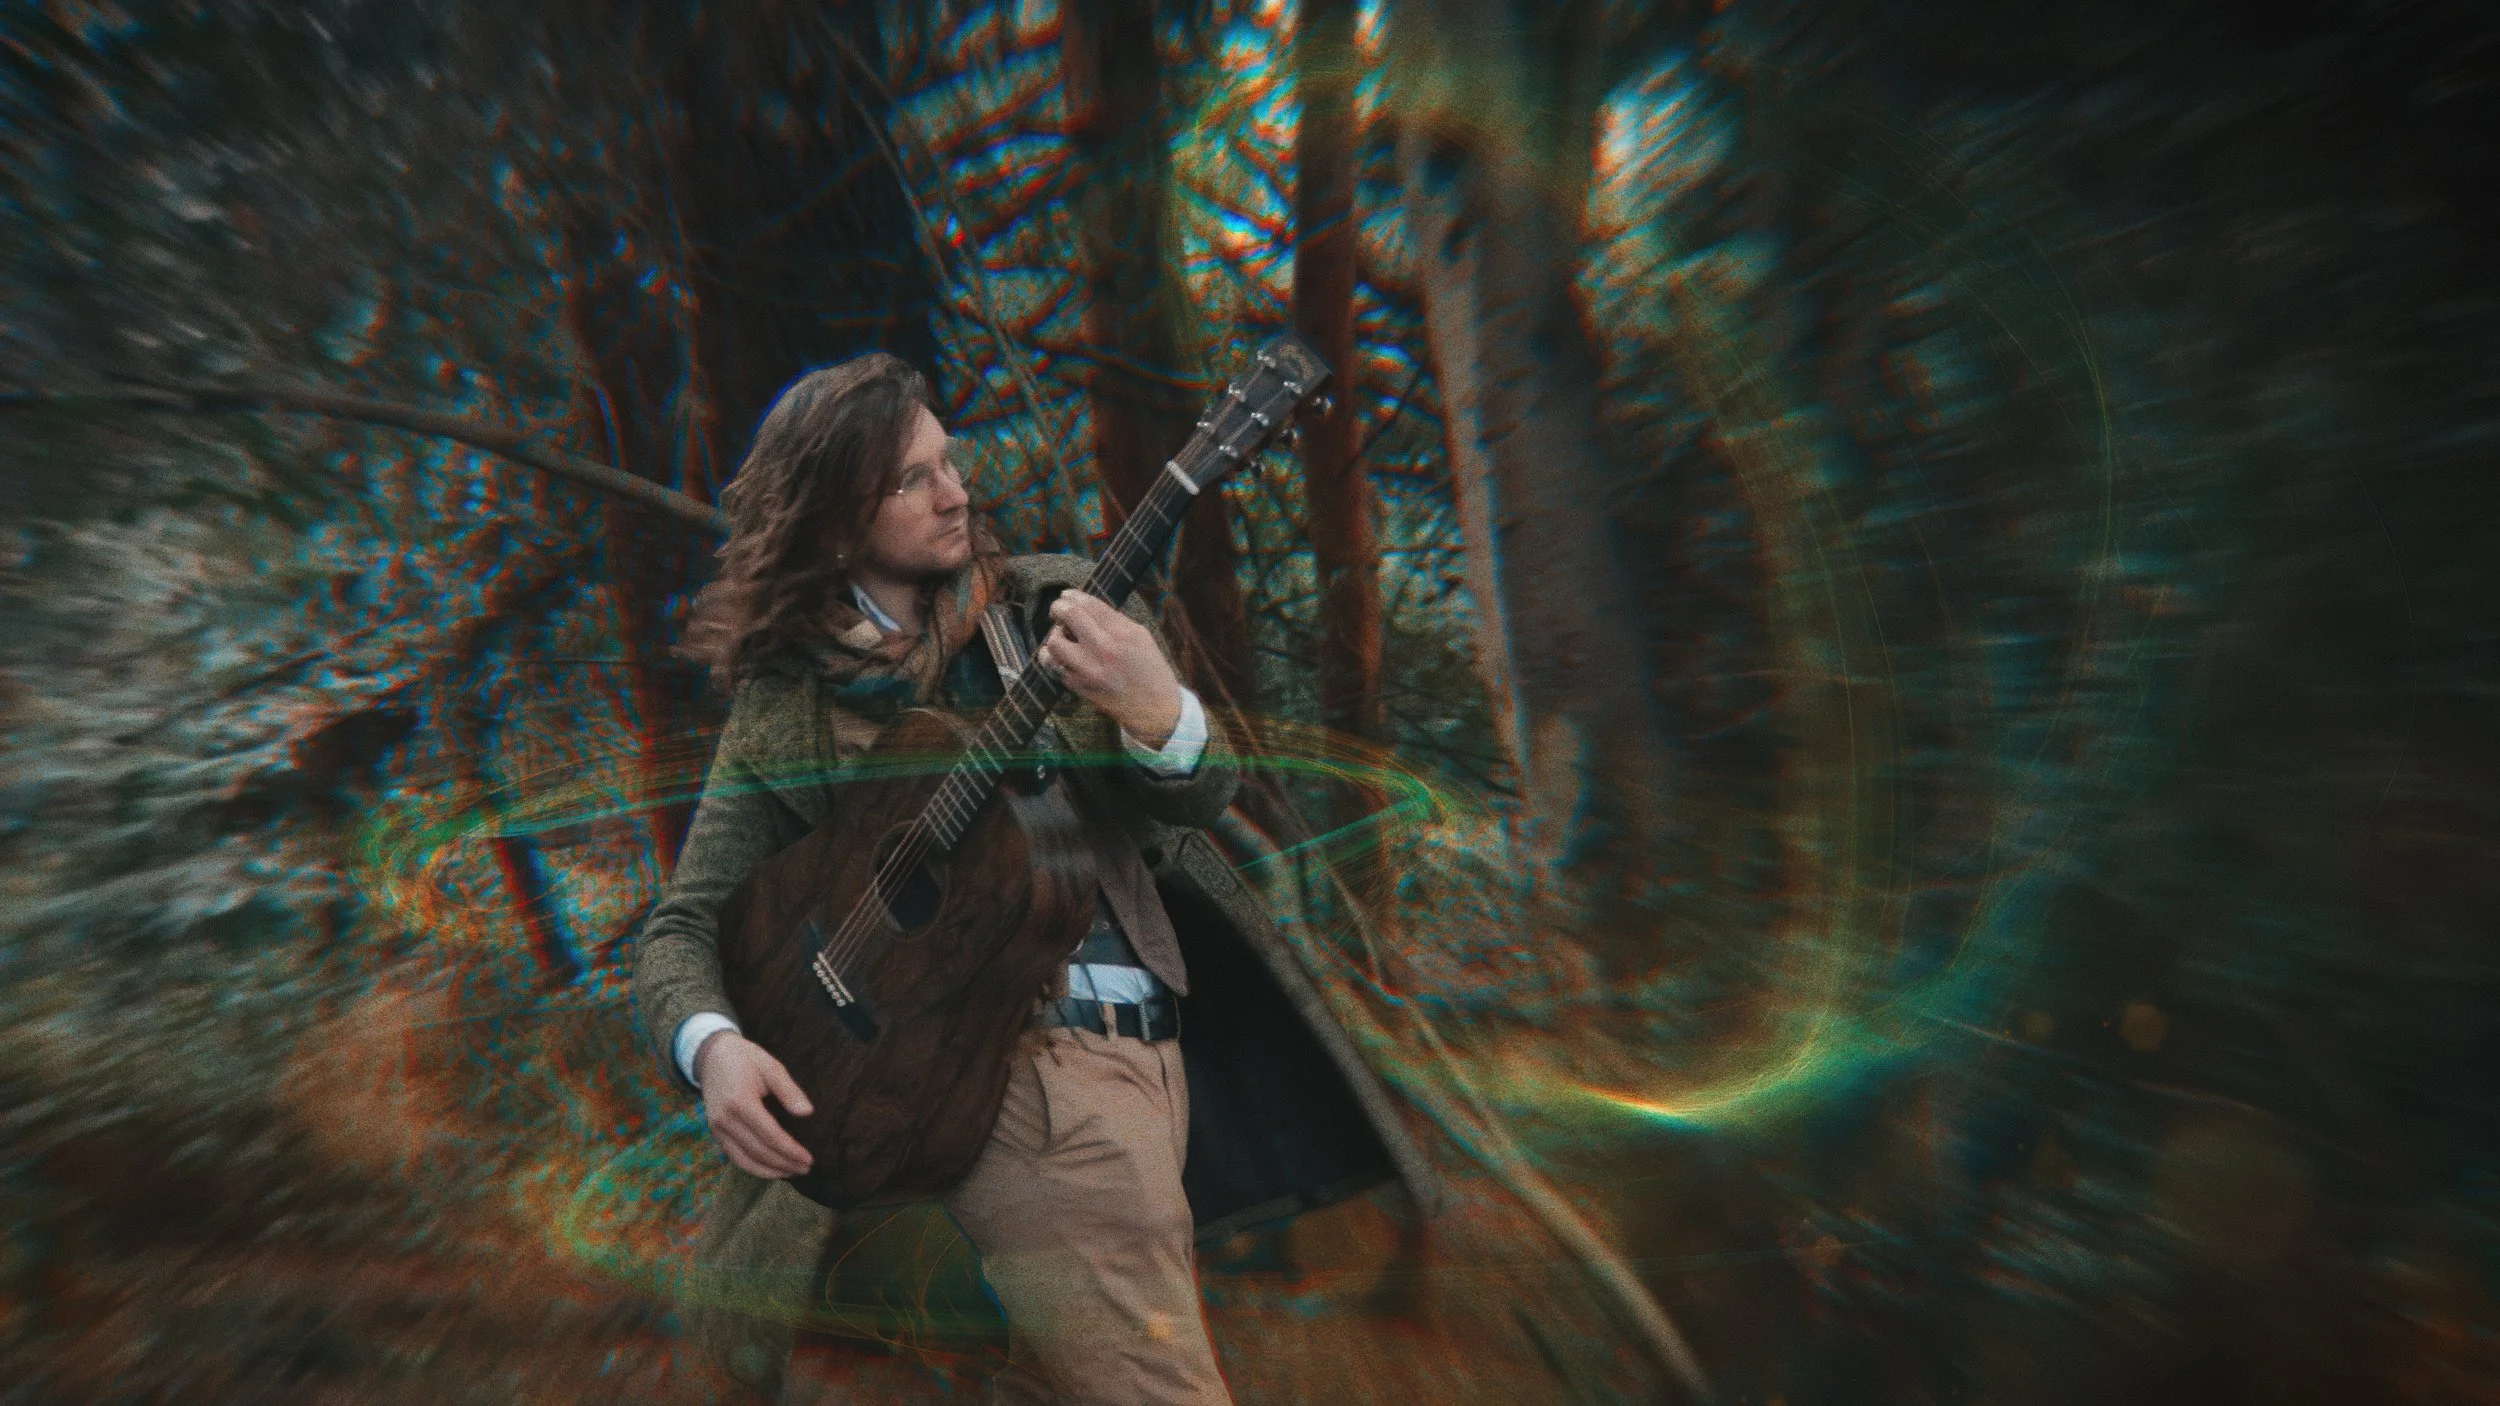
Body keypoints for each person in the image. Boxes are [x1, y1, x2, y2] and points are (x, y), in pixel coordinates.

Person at [633, 353, 1439, 1404]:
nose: (956, 489)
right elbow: (682, 924)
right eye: (912, 478)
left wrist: (1161, 712)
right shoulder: (785, 710)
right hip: (1008, 1080)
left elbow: (1197, 795)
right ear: (833, 522)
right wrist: (716, 1044)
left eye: (950, 460)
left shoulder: (1050, 610)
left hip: (1146, 1057)